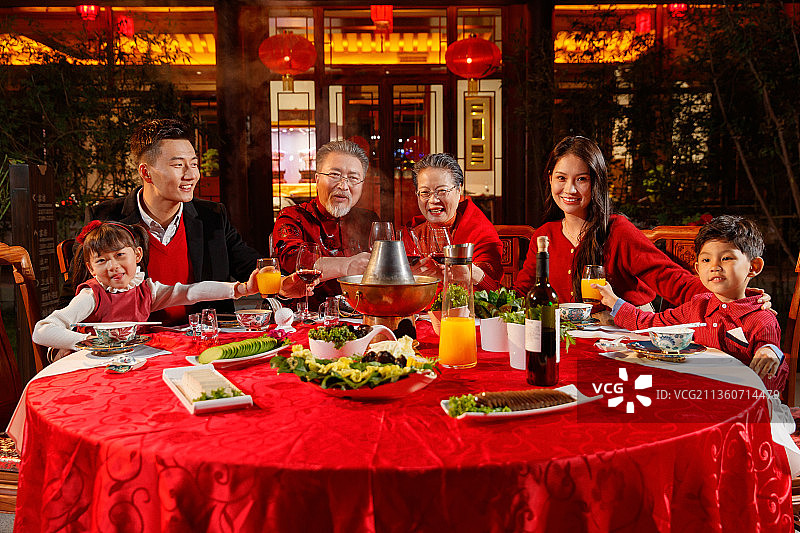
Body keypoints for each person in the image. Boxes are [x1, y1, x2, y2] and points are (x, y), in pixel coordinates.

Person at [513, 136, 771, 311]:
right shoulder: (544, 236)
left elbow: (670, 279)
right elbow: (522, 293)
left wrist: (735, 297)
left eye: (581, 179)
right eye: (561, 178)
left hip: (625, 336)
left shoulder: (617, 231)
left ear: (597, 182)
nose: (569, 189)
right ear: (549, 179)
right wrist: (479, 283)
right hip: (569, 339)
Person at [83, 118, 261, 324]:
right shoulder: (106, 219)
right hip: (134, 346)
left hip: (205, 341)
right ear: (146, 172)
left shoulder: (212, 216)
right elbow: (78, 291)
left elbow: (250, 266)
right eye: (178, 165)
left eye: (194, 164)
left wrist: (282, 283)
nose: (192, 175)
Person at [595, 215, 786, 392]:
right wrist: (614, 302)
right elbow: (650, 324)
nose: (714, 266)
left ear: (754, 267)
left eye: (726, 258)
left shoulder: (761, 317)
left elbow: (769, 368)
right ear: (697, 268)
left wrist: (770, 352)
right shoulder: (697, 306)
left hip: (739, 402)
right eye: (706, 260)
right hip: (697, 392)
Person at [273, 140, 378, 304]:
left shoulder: (369, 221)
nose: (343, 186)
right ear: (317, 179)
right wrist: (348, 266)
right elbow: (295, 260)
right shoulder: (293, 217)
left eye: (353, 178)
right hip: (307, 320)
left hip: (363, 316)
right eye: (334, 175)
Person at [403, 153, 502, 290]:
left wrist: (471, 273)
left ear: (458, 190)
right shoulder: (413, 234)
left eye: (442, 191)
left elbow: (494, 294)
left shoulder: (480, 232)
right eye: (425, 192)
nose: (433, 200)